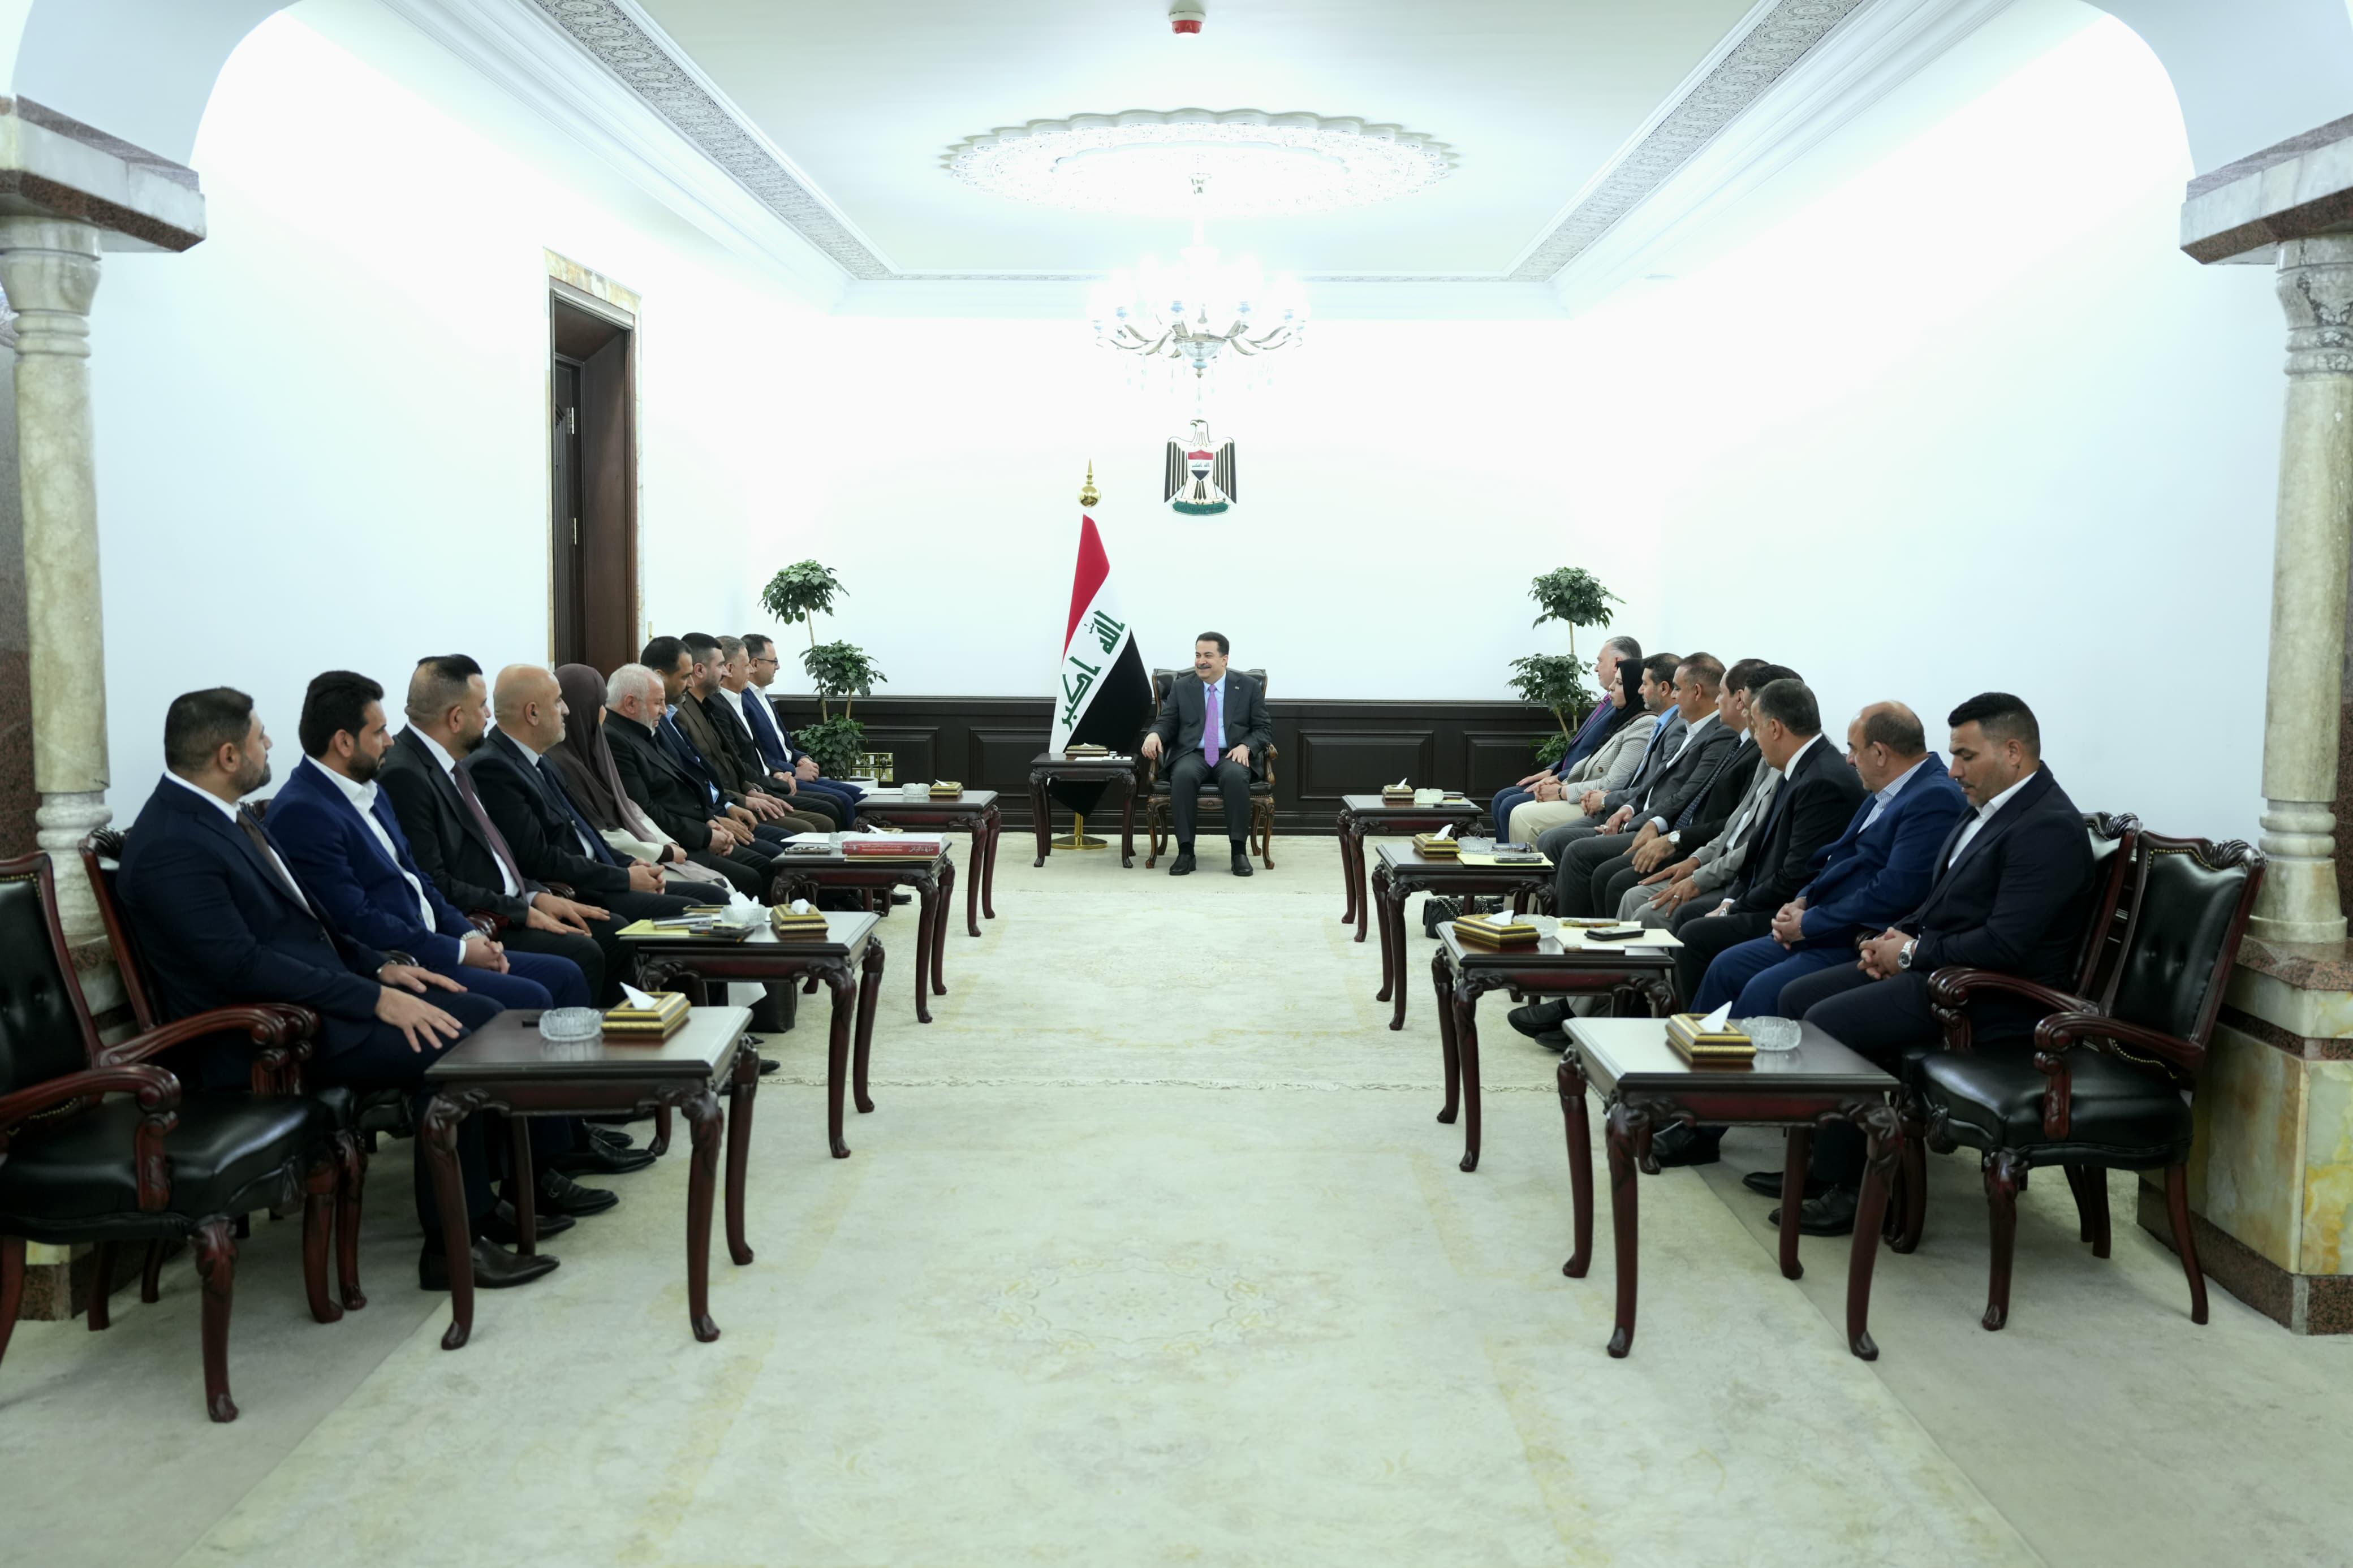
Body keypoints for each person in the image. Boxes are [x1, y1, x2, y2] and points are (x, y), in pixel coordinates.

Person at [115, 687, 557, 1291]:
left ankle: (477, 1206)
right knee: (469, 1036)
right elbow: (242, 966)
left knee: (481, 1012)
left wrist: (380, 968)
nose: (270, 743)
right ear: (227, 756)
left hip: (315, 1002)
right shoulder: (172, 842)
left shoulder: (225, 814)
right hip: (261, 1037)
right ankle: (453, 1245)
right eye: (259, 737)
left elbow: (312, 922)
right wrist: (373, 998)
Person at [1771, 692, 2097, 1236]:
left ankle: (1850, 1189)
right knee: (1797, 996)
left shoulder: (2047, 827)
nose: (1953, 770)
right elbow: (1940, 902)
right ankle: (1816, 1160)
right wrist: (1892, 938)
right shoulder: (1991, 809)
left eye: (1966, 756)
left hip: (1994, 997)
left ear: (2013, 752)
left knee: (1828, 1021)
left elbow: (2006, 945)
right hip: (1943, 970)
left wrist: (1911, 953)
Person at [1687, 702, 1967, 1020]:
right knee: (1726, 966)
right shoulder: (1886, 789)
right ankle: (1696, 1047)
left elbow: (1893, 891)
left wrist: (1808, 923)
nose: (1849, 759)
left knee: (1762, 991)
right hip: (1821, 923)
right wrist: (1802, 900)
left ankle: (1729, 1052)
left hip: (1854, 938)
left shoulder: (1934, 798)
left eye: (1854, 749)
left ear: (1879, 753)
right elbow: (1837, 857)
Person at [377, 655, 617, 1002]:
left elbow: (497, 854)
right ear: (456, 718)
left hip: (513, 903)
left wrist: (535, 895)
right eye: (482, 706)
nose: (490, 715)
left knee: (606, 931)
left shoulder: (452, 764)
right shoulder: (405, 775)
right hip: (479, 921)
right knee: (588, 951)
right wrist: (522, 910)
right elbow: (436, 881)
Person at [1552, 656, 1770, 918]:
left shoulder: (1730, 739)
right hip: (1669, 830)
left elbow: (1697, 799)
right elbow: (1653, 782)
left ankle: (1587, 939)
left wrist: (1666, 833)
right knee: (1573, 851)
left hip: (1689, 841)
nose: (1718, 700)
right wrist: (1632, 810)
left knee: (1601, 870)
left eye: (1723, 694)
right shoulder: (1723, 737)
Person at [1599, 661, 1799, 924]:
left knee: (1629, 893)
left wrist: (1681, 847)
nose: (1717, 700)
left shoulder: (1765, 755)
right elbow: (1693, 796)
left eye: (1722, 693)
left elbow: (1744, 835)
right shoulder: (1741, 743)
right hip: (1695, 846)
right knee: (1614, 879)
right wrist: (1657, 824)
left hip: (1713, 858)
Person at [1533, 653, 1734, 887]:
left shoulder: (1707, 732)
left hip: (1663, 828)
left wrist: (1629, 814)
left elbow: (1682, 792)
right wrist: (1626, 806)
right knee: (1553, 839)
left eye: (1678, 689)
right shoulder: (1686, 727)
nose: (1674, 695)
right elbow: (1648, 779)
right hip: (1634, 812)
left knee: (1576, 853)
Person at [602, 662, 778, 896]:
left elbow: (686, 782)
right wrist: (706, 836)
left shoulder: (641, 729)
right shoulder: (616, 740)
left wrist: (710, 821)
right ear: (631, 703)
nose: (664, 711)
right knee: (755, 873)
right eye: (658, 703)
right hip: (673, 842)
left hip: (698, 827)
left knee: (768, 862)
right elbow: (646, 810)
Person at [652, 634, 825, 841]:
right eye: (721, 666)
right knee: (811, 826)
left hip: (741, 794)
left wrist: (753, 790)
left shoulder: (707, 705)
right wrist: (738, 801)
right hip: (721, 807)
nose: (725, 672)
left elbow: (732, 761)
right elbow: (699, 776)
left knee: (825, 814)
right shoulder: (678, 714)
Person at [1139, 631, 1272, 876]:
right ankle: (1186, 852)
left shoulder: (1248, 687)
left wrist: (1246, 746)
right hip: (1193, 753)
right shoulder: (1182, 687)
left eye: (1208, 656)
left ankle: (1238, 852)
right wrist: (1154, 734)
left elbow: (1264, 729)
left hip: (1232, 753)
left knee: (1236, 777)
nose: (1201, 661)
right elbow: (1167, 721)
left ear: (1224, 659)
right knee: (1183, 776)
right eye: (1198, 655)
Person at [1528, 653, 1688, 851]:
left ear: (1663, 688)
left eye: (1644, 684)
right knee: (1547, 836)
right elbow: (1635, 776)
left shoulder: (1667, 726)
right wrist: (1562, 780)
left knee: (1557, 841)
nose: (1640, 690)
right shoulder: (1659, 722)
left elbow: (1656, 786)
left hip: (1636, 814)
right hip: (1618, 804)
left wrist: (1604, 799)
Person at [1490, 635, 1640, 838]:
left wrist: (1560, 783)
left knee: (1510, 806)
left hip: (1585, 788)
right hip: (1569, 777)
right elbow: (1588, 753)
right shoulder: (1611, 700)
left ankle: (1515, 857)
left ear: (1617, 663)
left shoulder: (1627, 709)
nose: (1596, 668)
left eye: (1600, 661)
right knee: (1502, 799)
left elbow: (1603, 769)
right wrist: (1552, 771)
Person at [735, 634, 865, 825]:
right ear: (755, 664)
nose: (778, 667)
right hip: (780, 777)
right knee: (842, 801)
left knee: (860, 794)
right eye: (774, 662)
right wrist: (795, 771)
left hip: (793, 770)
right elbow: (758, 756)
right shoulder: (743, 701)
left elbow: (783, 746)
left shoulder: (762, 695)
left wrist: (802, 758)